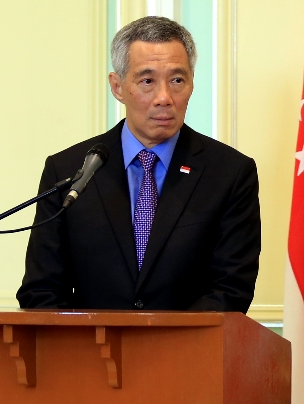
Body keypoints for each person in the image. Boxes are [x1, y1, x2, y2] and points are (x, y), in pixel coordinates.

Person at [18, 16, 260, 311]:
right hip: (89, 353)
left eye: (177, 80)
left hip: (188, 354)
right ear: (117, 86)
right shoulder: (70, 170)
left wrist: (160, 350)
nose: (164, 97)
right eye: (147, 81)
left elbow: (230, 290)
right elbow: (41, 290)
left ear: (192, 84)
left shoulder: (229, 173)